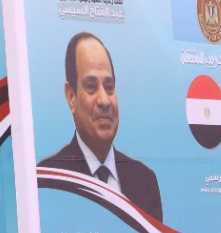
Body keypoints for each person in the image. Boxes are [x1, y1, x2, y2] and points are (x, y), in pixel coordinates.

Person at [37, 31, 163, 221]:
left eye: (109, 87)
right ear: (71, 96)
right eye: (91, 86)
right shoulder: (50, 180)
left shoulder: (145, 181)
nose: (104, 101)